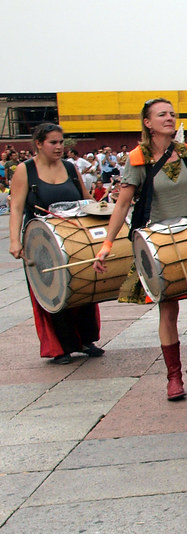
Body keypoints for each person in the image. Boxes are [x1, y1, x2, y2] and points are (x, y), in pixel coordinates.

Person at [93, 98, 187, 401]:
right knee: (169, 308)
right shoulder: (137, 159)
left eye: (172, 113)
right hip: (160, 240)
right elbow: (122, 203)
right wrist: (107, 244)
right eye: (162, 114)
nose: (169, 118)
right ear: (148, 123)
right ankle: (174, 377)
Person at [8, 123, 104, 364]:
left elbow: (86, 200)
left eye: (61, 142)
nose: (59, 147)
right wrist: (14, 240)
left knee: (82, 289)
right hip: (41, 243)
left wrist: (106, 207)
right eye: (53, 142)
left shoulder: (71, 168)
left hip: (74, 240)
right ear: (39, 144)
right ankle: (59, 347)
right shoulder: (25, 170)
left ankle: (84, 340)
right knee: (52, 294)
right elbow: (17, 207)